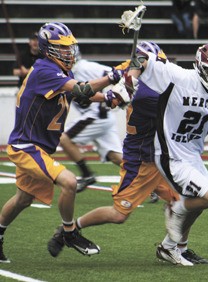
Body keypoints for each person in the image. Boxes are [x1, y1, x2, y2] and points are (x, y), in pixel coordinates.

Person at [47, 41, 208, 266]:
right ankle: (70, 230)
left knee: (188, 201)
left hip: (163, 156)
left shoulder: (141, 78)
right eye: (156, 64)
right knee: (119, 214)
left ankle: (177, 248)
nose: (162, 68)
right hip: (143, 160)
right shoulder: (147, 93)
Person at [0, 22, 128, 263]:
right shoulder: (44, 70)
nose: (69, 52)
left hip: (39, 147)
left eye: (70, 48)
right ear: (48, 48)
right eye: (63, 48)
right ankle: (69, 233)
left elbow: (79, 96)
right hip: (27, 145)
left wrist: (108, 99)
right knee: (69, 181)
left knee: (23, 199)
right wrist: (112, 77)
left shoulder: (59, 72)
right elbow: (80, 91)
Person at [119, 43, 208, 265]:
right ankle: (176, 208)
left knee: (200, 203)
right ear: (200, 68)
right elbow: (142, 55)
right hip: (169, 152)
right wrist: (131, 78)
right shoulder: (179, 77)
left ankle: (169, 247)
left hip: (193, 156)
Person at [59, 52, 123, 192]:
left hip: (96, 115)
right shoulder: (64, 73)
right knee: (116, 157)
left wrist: (117, 93)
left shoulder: (83, 67)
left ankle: (87, 174)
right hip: (101, 117)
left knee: (64, 139)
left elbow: (112, 74)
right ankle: (152, 184)